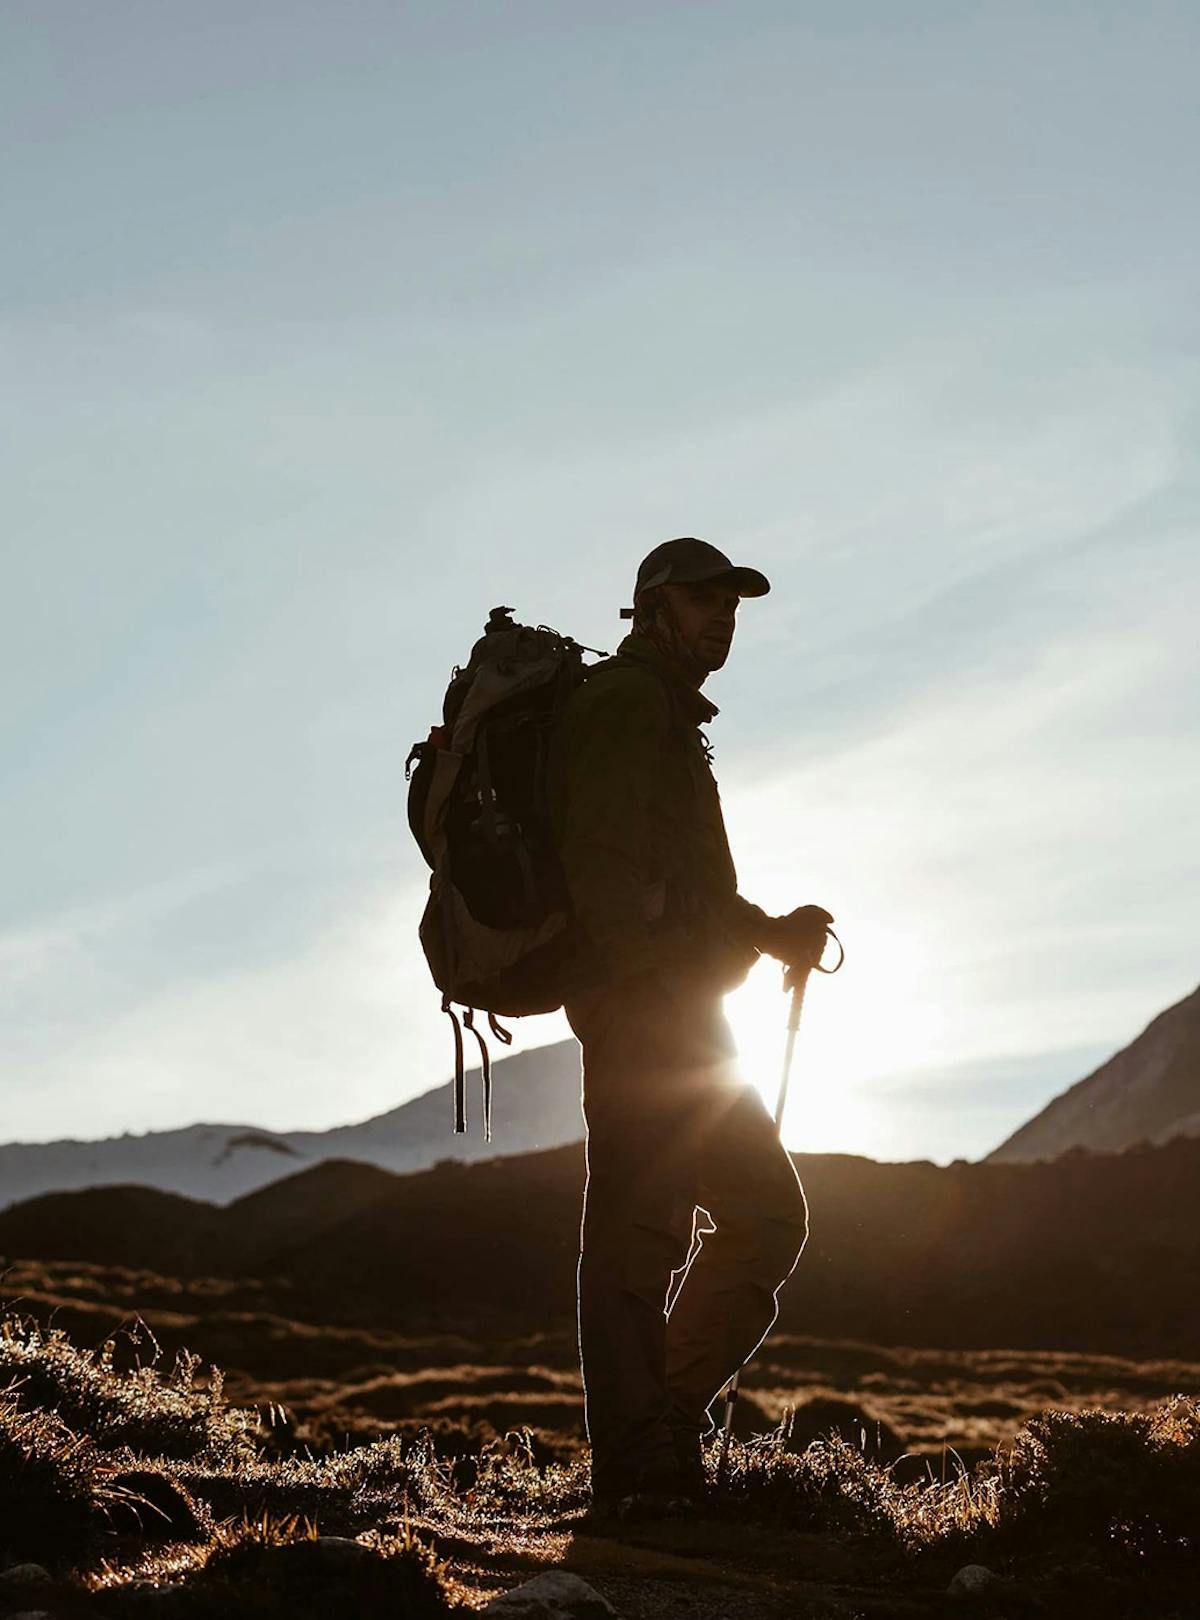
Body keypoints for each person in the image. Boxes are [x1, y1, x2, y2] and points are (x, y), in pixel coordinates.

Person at [549, 537, 833, 1516]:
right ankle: (639, 1469)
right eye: (703, 602)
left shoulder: (666, 714)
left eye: (732, 607)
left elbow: (688, 892)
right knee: (641, 1235)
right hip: (649, 1016)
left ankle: (657, 1436)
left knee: (753, 1217)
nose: (722, 620)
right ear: (650, 606)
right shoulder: (626, 705)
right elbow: (604, 865)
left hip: (683, 1016)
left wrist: (766, 932)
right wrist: (652, 995)